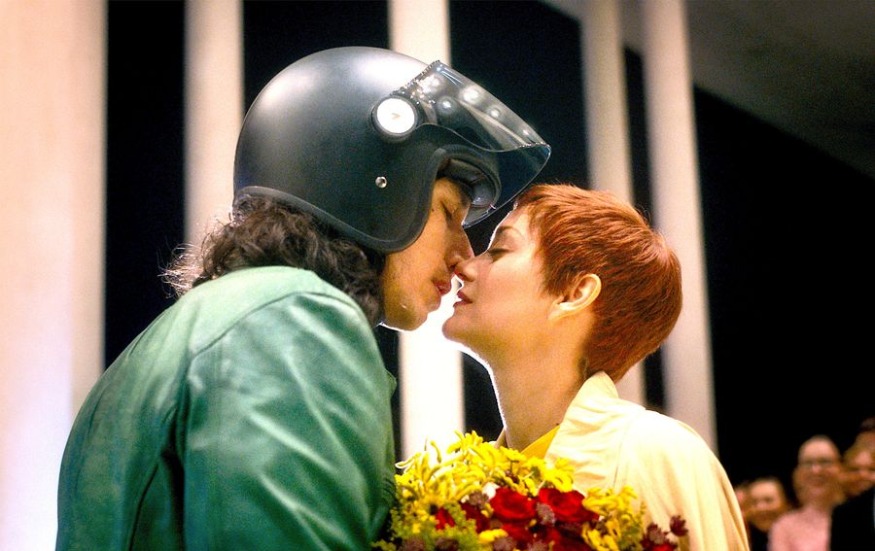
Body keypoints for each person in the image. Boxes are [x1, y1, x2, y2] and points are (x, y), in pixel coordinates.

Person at [55, 46, 550, 550]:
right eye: (448, 213)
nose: (464, 254)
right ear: (376, 186)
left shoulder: (200, 331)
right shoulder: (292, 318)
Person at [441, 183, 749, 550]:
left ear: (574, 294)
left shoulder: (658, 454)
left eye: (499, 251)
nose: (464, 266)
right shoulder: (468, 486)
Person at [769, 434, 845, 551]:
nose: (816, 470)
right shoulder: (784, 527)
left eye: (824, 462)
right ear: (798, 473)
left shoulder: (861, 516)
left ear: (840, 467)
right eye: (808, 463)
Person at [745, 476, 790, 551]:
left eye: (768, 500)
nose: (760, 508)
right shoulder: (744, 541)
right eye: (754, 502)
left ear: (787, 504)